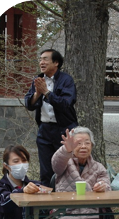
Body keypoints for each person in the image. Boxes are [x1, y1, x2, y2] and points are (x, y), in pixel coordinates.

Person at [24, 49, 78, 186]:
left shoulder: (66, 80)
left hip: (64, 130)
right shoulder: (38, 80)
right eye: (40, 59)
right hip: (45, 130)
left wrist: (47, 92)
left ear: (56, 63)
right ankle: (46, 206)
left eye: (46, 59)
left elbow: (65, 104)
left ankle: (66, 203)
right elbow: (29, 105)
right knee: (46, 171)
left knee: (67, 168)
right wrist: (37, 93)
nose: (42, 62)